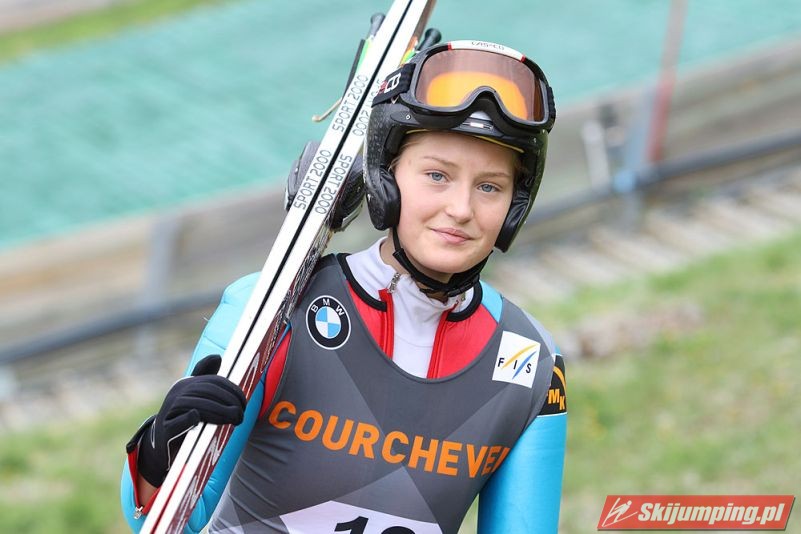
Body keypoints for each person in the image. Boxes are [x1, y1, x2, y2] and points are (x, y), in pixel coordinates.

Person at [121, 39, 567, 534]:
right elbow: (164, 522)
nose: (461, 209)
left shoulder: (532, 362)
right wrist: (161, 453)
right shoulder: (271, 308)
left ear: (515, 204)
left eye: (489, 187)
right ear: (387, 177)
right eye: (437, 175)